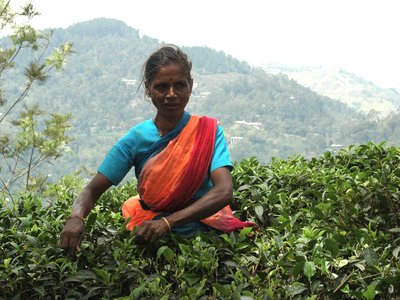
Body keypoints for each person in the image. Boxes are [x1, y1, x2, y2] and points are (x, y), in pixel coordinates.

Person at [60, 45, 255, 253]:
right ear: (148, 89)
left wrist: (168, 223)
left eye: (180, 85)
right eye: (162, 87)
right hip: (152, 238)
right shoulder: (136, 139)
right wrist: (76, 217)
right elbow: (92, 190)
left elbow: (224, 191)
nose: (171, 94)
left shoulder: (208, 131)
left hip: (208, 242)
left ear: (190, 86)